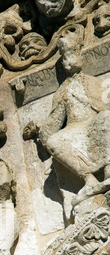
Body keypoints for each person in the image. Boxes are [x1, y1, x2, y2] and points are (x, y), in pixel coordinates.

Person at [24, 24, 110, 204]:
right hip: (74, 127)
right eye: (65, 58)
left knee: (106, 118)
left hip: (95, 122)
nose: (69, 61)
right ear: (62, 64)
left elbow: (105, 104)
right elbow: (54, 122)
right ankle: (89, 180)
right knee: (55, 141)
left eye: (72, 55)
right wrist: (38, 129)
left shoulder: (94, 82)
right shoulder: (62, 92)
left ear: (81, 55)